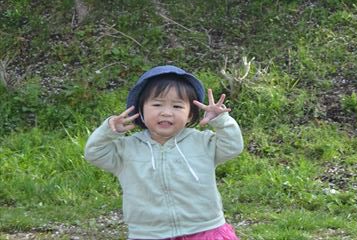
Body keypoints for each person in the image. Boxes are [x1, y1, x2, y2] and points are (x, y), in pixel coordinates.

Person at [84, 64, 243, 240]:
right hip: (149, 234)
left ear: (190, 115)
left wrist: (221, 120)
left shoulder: (202, 142)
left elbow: (232, 146)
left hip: (205, 228)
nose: (166, 113)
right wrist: (108, 131)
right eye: (157, 104)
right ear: (140, 111)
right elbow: (94, 153)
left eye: (177, 106)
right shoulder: (127, 148)